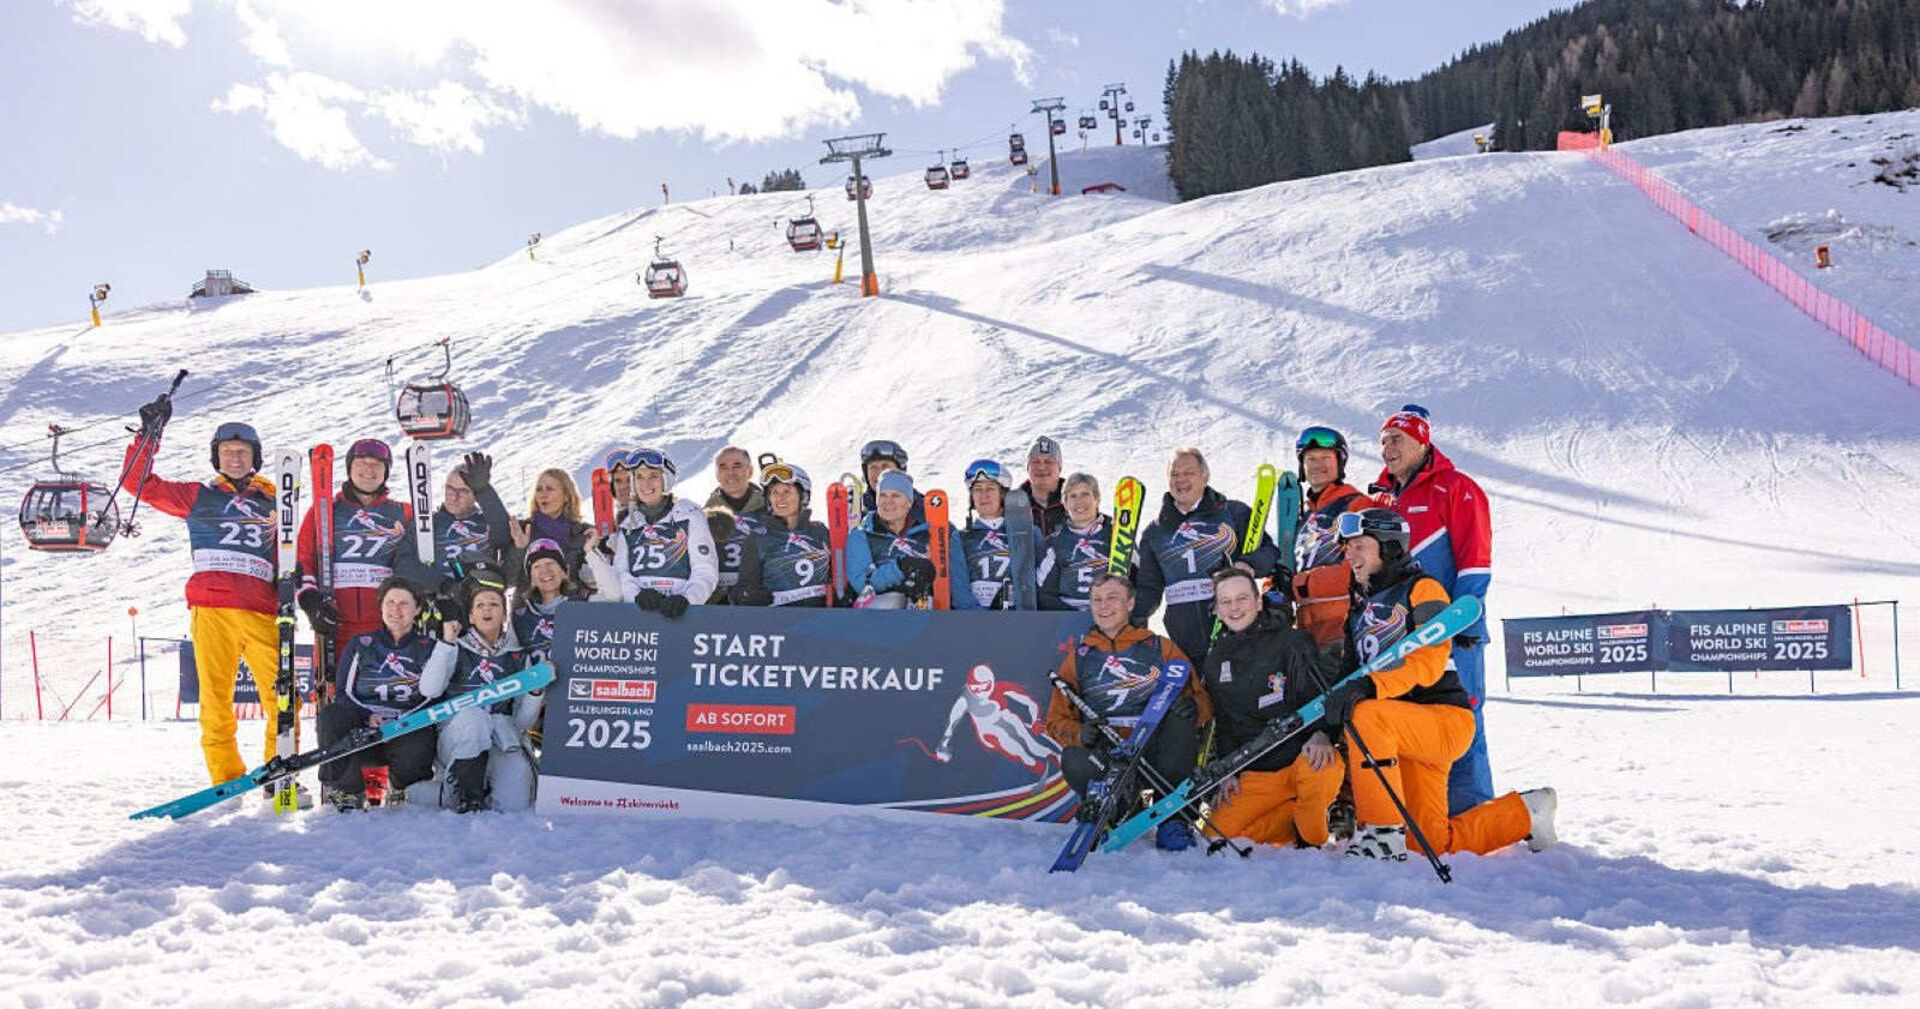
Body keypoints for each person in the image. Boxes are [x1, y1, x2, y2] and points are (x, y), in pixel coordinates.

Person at [1320, 508, 1554, 860]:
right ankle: (1527, 812)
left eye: (1359, 546)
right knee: (1426, 843)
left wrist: (1370, 687)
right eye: (1347, 548)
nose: (1349, 555)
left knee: (1366, 713)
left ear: (1389, 546)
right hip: (1400, 732)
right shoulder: (1360, 611)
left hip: (1442, 720)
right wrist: (1325, 723)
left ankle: (1382, 835)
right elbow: (1349, 676)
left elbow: (1428, 664)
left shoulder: (1424, 589)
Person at [119, 408, 290, 787]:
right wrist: (148, 436)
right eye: (227, 451)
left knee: (282, 699)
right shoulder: (198, 496)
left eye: (243, 452)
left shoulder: (276, 503)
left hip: (263, 612)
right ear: (216, 457)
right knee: (215, 702)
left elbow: (290, 556)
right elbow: (138, 484)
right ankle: (226, 777)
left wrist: (292, 587)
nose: (235, 457)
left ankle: (279, 771)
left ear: (255, 458)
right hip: (212, 610)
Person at [1368, 405, 1495, 814]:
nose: (1388, 448)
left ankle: (1471, 811)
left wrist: (1463, 621)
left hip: (1453, 633)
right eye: (1384, 440)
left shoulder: (1457, 487)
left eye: (1397, 439)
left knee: (1461, 721)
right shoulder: (1382, 498)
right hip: (1404, 636)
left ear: (1422, 442)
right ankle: (1425, 816)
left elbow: (1475, 561)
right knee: (1415, 725)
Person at [1045, 572, 1210, 850]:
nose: (1104, 606)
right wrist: (1080, 733)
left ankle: (1174, 818)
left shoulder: (1160, 647)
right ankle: (1114, 809)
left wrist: (1193, 707)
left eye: (1113, 598)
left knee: (1180, 723)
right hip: (1110, 755)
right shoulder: (1079, 658)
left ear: (1131, 603)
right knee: (1073, 755)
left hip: (1154, 749)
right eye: (1096, 599)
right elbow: (1055, 720)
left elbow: (1202, 700)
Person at [1200, 568, 1345, 848]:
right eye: (1225, 601)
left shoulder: (1291, 642)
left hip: (1301, 759)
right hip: (1259, 771)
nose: (1234, 608)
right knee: (1216, 838)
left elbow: (1320, 695)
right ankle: (1291, 820)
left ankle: (1310, 830)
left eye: (1241, 598)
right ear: (1216, 610)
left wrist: (1322, 734)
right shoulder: (1216, 661)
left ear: (1258, 602)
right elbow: (1227, 724)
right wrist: (1229, 771)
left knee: (1322, 775)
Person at [1133, 447, 1280, 667]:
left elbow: (1270, 553)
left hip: (1236, 631)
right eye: (1174, 474)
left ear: (1205, 476)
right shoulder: (1155, 532)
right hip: (1185, 642)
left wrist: (1248, 563)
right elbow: (1148, 588)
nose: (1180, 480)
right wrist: (1127, 619)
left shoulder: (1233, 513)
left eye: (1188, 472)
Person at [296, 438, 435, 669]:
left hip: (390, 623)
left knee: (387, 690)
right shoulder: (325, 510)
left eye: (377, 465)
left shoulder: (404, 513)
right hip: (334, 622)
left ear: (386, 472)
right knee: (337, 695)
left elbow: (419, 561)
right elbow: (304, 558)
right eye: (362, 463)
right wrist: (309, 599)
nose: (368, 470)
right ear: (350, 467)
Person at [318, 577, 440, 811]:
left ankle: (404, 788)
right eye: (390, 602)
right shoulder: (361, 644)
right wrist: (367, 716)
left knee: (423, 728)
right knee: (331, 715)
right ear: (381, 607)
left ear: (417, 609)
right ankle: (346, 790)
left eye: (404, 603)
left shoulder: (428, 647)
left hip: (406, 728)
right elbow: (344, 692)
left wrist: (403, 720)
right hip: (364, 731)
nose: (396, 609)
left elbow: (433, 696)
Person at [419, 578, 540, 812]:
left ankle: (453, 792)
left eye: (494, 605)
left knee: (513, 803)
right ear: (471, 617)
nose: (487, 609)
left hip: (500, 739)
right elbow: (429, 689)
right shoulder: (456, 648)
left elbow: (522, 722)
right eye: (480, 605)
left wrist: (536, 691)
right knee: (474, 718)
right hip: (459, 737)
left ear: (504, 616)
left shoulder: (516, 657)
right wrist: (446, 644)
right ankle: (465, 795)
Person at [583, 447, 717, 616]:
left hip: (682, 614)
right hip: (641, 615)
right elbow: (621, 573)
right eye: (639, 477)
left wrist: (688, 598)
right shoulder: (629, 525)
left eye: (653, 476)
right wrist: (636, 595)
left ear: (665, 480)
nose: (646, 484)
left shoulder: (689, 516)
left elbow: (705, 570)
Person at [1285, 427, 1374, 647]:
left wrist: (1299, 585)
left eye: (1326, 457)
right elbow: (1286, 563)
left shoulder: (1355, 506)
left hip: (1343, 629)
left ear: (1339, 463)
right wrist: (1273, 591)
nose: (1318, 465)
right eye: (1311, 458)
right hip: (1305, 632)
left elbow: (1361, 568)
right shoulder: (1303, 516)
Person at [844, 470, 977, 610]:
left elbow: (959, 587)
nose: (888, 501)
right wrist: (900, 568)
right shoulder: (862, 534)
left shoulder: (934, 532)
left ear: (909, 503)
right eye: (883, 495)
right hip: (878, 615)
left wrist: (977, 620)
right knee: (894, 600)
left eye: (895, 495)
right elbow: (862, 583)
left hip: (927, 614)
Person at [730, 462, 833, 607]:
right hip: (780, 623)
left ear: (803, 496)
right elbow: (742, 588)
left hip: (823, 621)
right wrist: (746, 595)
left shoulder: (820, 532)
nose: (780, 498)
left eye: (787, 491)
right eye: (774, 492)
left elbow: (839, 574)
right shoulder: (758, 539)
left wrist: (845, 594)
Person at [959, 459, 1040, 609]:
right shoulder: (961, 538)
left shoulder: (1029, 532)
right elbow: (959, 586)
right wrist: (976, 616)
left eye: (990, 488)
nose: (984, 495)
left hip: (1019, 620)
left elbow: (1041, 580)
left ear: (1002, 494)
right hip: (975, 621)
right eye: (977, 489)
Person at [431, 451, 513, 594]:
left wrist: (484, 491)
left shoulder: (485, 522)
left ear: (475, 495)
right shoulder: (430, 522)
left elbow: (503, 532)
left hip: (479, 600)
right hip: (439, 598)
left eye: (463, 491)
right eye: (449, 488)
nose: (454, 497)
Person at [510, 467, 594, 592]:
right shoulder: (523, 530)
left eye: (549, 489)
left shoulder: (583, 533)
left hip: (572, 608)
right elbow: (509, 580)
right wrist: (520, 549)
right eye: (539, 489)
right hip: (530, 609)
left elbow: (595, 583)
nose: (543, 494)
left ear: (566, 496)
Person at [1037, 472, 1111, 612]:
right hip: (1070, 622)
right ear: (1065, 504)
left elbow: (1140, 584)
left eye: (1085, 494)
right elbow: (1044, 592)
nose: (1079, 501)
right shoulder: (1054, 543)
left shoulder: (1118, 536)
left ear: (1097, 499)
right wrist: (1071, 617)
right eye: (1073, 496)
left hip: (1112, 618)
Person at [705, 446, 769, 604]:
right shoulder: (702, 517)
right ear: (717, 474)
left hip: (765, 604)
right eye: (723, 467)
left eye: (737, 466)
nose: (730, 473)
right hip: (719, 608)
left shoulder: (772, 510)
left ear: (750, 471)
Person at [512, 538, 590, 668]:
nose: (545, 570)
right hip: (543, 687)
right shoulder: (520, 617)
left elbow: (615, 594)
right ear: (531, 580)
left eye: (550, 563)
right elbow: (515, 660)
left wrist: (590, 552)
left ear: (564, 572)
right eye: (537, 566)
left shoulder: (583, 605)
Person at [1018, 436, 1069, 536]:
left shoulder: (1078, 502)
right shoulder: (1012, 506)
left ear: (1059, 468)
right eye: (1035, 461)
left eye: (1048, 461)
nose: (1041, 467)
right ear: (1028, 468)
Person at [855, 439, 912, 515]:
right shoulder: (854, 509)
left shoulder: (923, 508)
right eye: (873, 467)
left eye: (885, 466)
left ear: (899, 471)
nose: (879, 473)